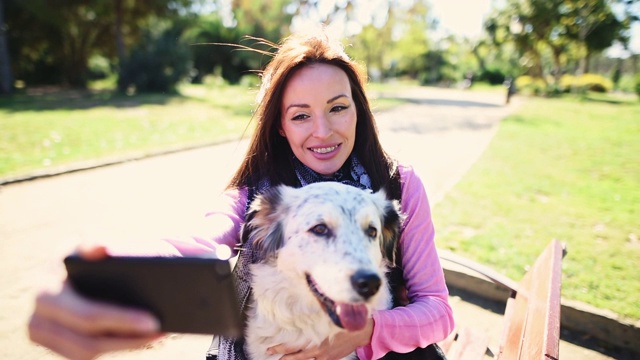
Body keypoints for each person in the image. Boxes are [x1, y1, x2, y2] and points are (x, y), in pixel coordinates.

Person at [28, 28, 454, 360]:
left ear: (359, 109)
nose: (323, 131)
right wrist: (117, 275)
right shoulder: (258, 189)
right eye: (300, 115)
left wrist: (367, 334)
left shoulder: (398, 184)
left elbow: (437, 308)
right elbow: (201, 241)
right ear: (280, 127)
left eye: (338, 107)